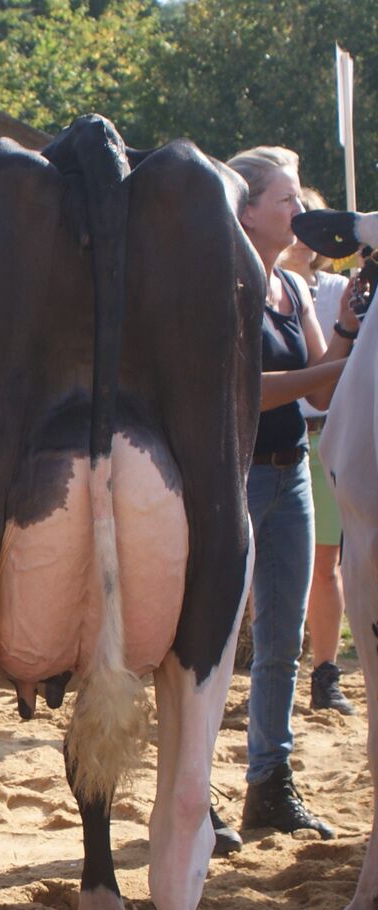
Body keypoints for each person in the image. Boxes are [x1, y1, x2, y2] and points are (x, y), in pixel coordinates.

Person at [224, 146, 358, 838]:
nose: (302, 210)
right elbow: (251, 390)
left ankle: (268, 786)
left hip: (291, 470)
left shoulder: (296, 288)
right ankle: (200, 795)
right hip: (234, 472)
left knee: (282, 641)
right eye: (288, 198)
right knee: (212, 643)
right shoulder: (226, 284)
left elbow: (326, 385)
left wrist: (348, 324)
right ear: (247, 211)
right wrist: (324, 366)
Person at [281, 185, 357, 714]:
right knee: (272, 565)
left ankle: (325, 672)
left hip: (326, 434)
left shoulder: (340, 288)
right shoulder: (265, 285)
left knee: (326, 562)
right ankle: (275, 661)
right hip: (279, 432)